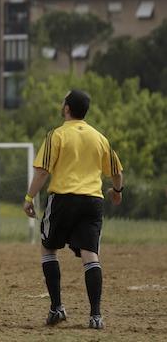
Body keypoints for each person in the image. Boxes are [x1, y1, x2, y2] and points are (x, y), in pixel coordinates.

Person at [23, 90, 123, 330]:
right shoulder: (99, 137)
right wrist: (118, 192)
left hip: (64, 198)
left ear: (67, 108)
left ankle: (57, 308)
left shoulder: (56, 135)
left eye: (63, 100)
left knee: (48, 248)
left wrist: (29, 198)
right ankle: (96, 316)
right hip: (92, 201)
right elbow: (117, 172)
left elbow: (43, 171)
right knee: (91, 255)